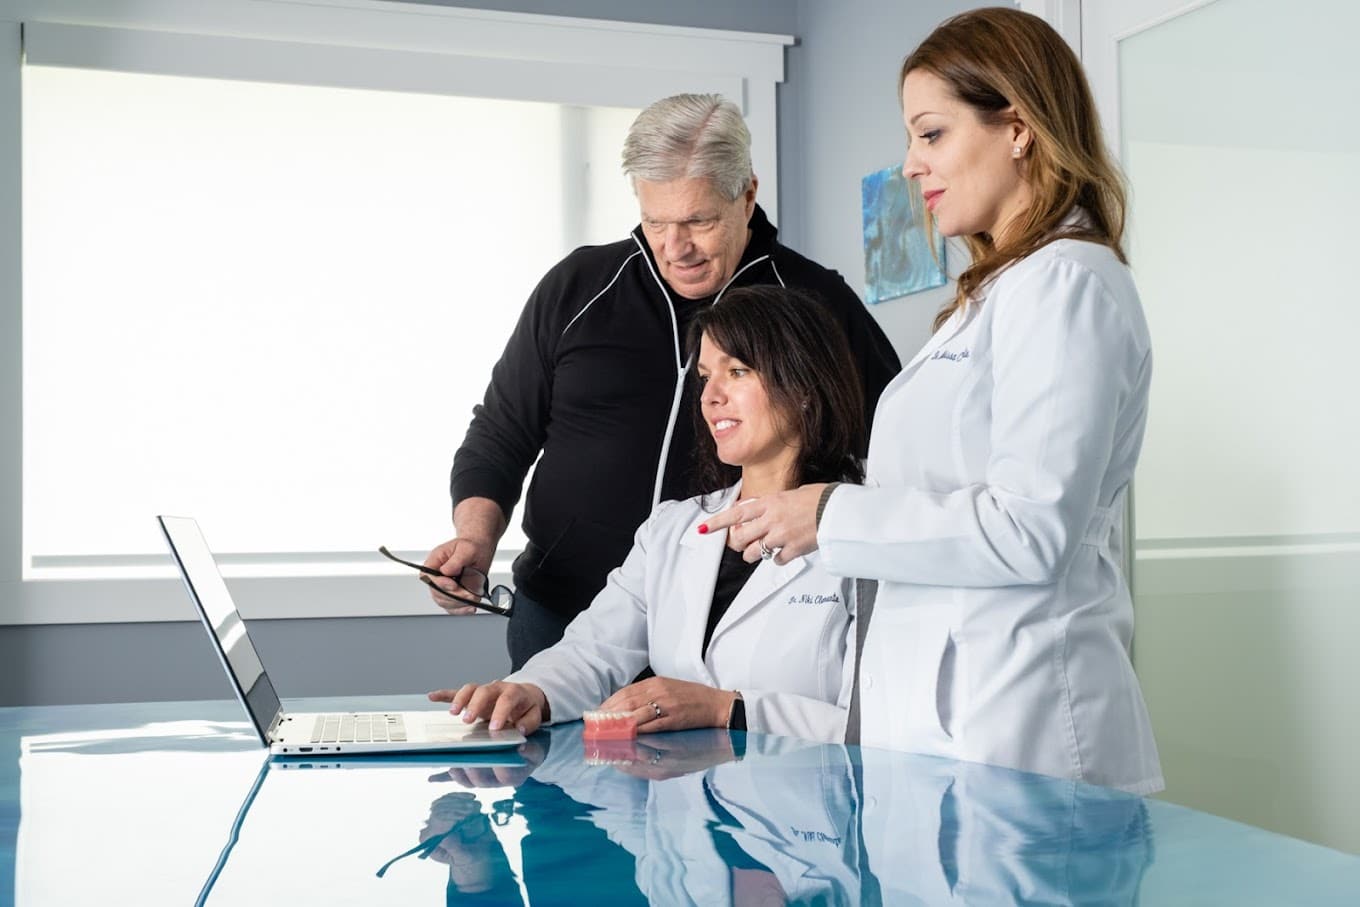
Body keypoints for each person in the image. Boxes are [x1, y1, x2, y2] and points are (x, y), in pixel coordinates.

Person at [702, 8, 1163, 794]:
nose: (912, 165)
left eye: (931, 133)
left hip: (1026, 730)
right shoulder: (997, 296)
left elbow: (1031, 527)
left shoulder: (1065, 284)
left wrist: (830, 514)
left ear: (1017, 126)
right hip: (955, 734)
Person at [421, 93, 901, 670]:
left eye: (698, 220)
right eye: (656, 221)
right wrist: (474, 539)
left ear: (746, 195)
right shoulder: (578, 285)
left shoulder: (815, 302)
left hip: (734, 626)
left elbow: (893, 449)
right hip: (561, 614)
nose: (677, 248)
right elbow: (501, 433)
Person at [428, 286, 864, 742]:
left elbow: (886, 721)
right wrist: (528, 691)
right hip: (681, 802)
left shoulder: (865, 534)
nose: (710, 397)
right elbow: (592, 651)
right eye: (704, 377)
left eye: (737, 371)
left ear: (805, 388)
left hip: (815, 803)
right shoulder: (672, 530)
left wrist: (729, 711)